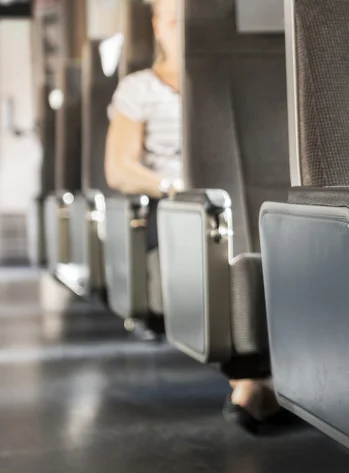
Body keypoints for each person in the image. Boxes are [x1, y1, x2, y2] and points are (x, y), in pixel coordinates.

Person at [104, 0, 283, 432]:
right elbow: (119, 169)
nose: (181, 28)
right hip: (173, 208)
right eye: (171, 20)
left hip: (243, 203)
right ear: (157, 27)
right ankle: (252, 378)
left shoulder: (243, 83)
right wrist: (171, 188)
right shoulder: (138, 88)